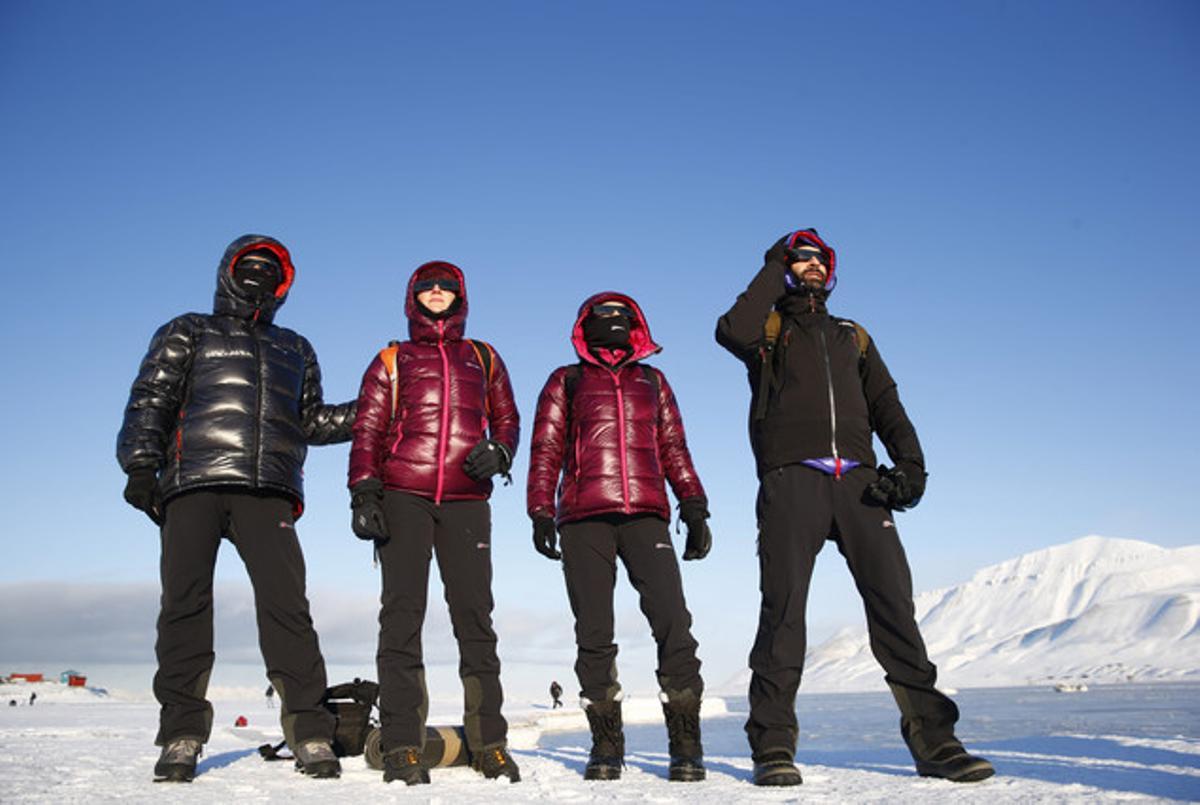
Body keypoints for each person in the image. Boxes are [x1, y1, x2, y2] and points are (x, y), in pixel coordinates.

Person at [715, 229, 995, 786]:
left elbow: (887, 403)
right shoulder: (769, 329)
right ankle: (773, 747)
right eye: (801, 257)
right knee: (784, 612)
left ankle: (936, 742)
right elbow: (731, 329)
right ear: (785, 265)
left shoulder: (854, 335)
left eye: (820, 259)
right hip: (793, 481)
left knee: (894, 608)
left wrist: (911, 467)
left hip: (862, 486)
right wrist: (774, 268)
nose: (812, 265)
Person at [117, 234, 354, 783]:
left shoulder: (295, 347)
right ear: (227, 271)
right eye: (248, 267)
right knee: (185, 606)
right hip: (192, 480)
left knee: (287, 607)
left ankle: (310, 731)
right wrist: (139, 465)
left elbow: (312, 421)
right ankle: (181, 732)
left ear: (284, 285)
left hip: (268, 489)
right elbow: (151, 399)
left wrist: (373, 405)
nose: (258, 277)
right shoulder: (188, 329)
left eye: (271, 271)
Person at [527, 293, 712, 783]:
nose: (611, 325)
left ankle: (686, 743)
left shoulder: (652, 381)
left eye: (621, 319)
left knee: (673, 621)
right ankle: (606, 743)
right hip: (583, 517)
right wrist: (541, 510)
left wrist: (694, 506)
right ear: (583, 328)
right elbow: (545, 447)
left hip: (647, 515)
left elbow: (673, 446)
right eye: (601, 319)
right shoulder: (566, 380)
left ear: (635, 327)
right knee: (594, 631)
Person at [348, 261, 521, 786]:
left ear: (461, 296)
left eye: (448, 287)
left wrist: (500, 452)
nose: (438, 293)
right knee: (402, 616)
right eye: (429, 287)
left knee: (476, 618)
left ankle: (489, 742)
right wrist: (363, 492)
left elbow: (508, 418)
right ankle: (402, 744)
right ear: (413, 297)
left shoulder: (484, 358)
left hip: (468, 499)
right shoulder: (391, 360)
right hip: (404, 497)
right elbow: (368, 430)